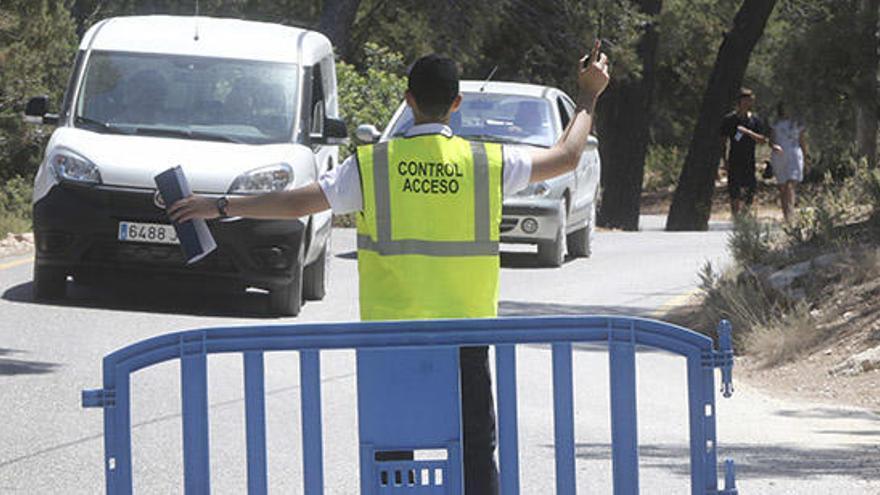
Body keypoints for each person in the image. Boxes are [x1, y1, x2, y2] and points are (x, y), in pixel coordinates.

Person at [170, 42, 610, 494]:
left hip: (389, 338)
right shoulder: (489, 162)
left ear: (408, 99)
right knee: (476, 452)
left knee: (391, 450)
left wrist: (219, 206)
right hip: (466, 337)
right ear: (456, 104)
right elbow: (567, 156)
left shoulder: (371, 166)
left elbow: (297, 201)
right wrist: (589, 94)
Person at [720, 88, 782, 217]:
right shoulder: (730, 119)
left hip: (749, 158)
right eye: (746, 100)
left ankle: (746, 212)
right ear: (740, 101)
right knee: (734, 188)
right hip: (734, 158)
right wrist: (724, 160)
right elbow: (723, 141)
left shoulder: (755, 120)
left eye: (750, 100)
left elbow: (762, 140)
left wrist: (747, 132)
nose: (748, 103)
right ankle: (736, 217)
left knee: (751, 187)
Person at [770, 102, 808, 222]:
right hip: (779, 155)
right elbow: (771, 141)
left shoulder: (797, 124)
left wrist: (806, 157)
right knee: (782, 186)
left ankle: (791, 214)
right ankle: (786, 214)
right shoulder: (776, 124)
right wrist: (774, 146)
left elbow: (802, 141)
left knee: (791, 183)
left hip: (794, 154)